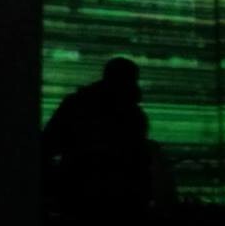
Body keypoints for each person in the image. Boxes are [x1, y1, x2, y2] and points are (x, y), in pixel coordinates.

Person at [41, 57, 155, 215]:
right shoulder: (133, 115)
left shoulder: (76, 105)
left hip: (77, 193)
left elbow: (49, 144)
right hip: (120, 199)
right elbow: (138, 160)